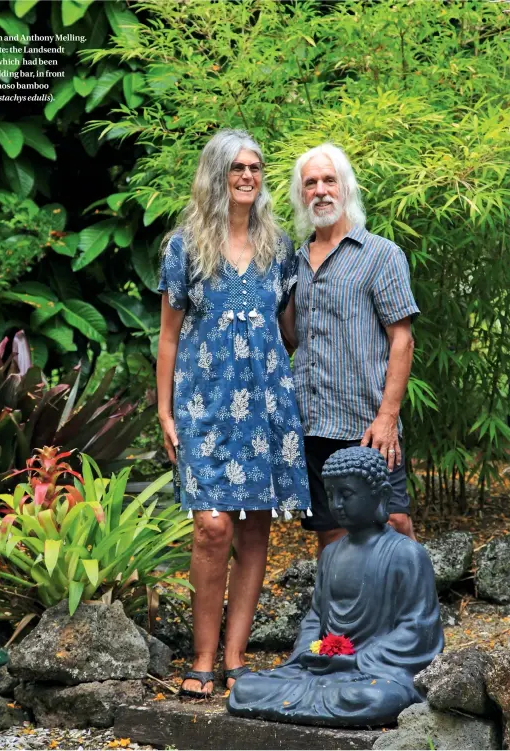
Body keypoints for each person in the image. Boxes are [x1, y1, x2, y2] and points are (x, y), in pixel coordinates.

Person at [157, 129, 311, 698]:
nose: (248, 176)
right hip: (203, 408)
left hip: (265, 406)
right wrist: (165, 411)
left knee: (254, 530)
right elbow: (168, 337)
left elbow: (291, 330)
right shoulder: (185, 248)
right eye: (237, 168)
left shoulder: (279, 247)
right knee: (212, 526)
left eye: (255, 168)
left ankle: (235, 657)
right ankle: (201, 656)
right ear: (216, 175)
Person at [228, 447, 443, 727]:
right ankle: (317, 694)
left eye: (347, 494)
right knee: (246, 688)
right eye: (330, 496)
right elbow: (316, 617)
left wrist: (357, 660)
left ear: (379, 495)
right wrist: (309, 651)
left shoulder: (405, 554)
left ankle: (333, 694)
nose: (337, 504)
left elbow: (419, 629)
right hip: (323, 671)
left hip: (376, 672)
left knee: (373, 697)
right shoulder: (330, 553)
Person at [286, 143, 420, 555]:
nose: (321, 190)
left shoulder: (381, 255)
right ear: (301, 195)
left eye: (330, 180)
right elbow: (293, 339)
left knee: (393, 520)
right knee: (331, 531)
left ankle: (414, 616)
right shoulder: (293, 262)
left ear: (346, 188)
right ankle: (346, 619)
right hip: (311, 423)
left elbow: (403, 339)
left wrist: (387, 417)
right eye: (311, 183)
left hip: (366, 424)